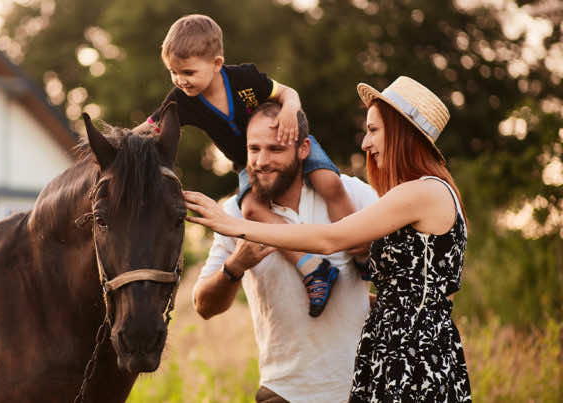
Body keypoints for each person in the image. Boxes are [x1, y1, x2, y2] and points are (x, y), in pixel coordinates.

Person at [185, 76, 472, 401]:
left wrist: (232, 225)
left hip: (408, 357)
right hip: (378, 357)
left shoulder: (418, 192)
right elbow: (417, 287)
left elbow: (330, 239)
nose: (365, 143)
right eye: (254, 149)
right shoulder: (414, 194)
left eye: (374, 130)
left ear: (401, 132)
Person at [192, 101, 379, 402]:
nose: (261, 161)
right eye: (254, 149)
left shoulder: (352, 194)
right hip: (284, 392)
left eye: (275, 150)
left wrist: (370, 261)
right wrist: (235, 267)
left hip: (363, 388)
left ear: (304, 149)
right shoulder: (233, 214)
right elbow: (203, 305)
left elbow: (406, 275)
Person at [134, 14, 355, 239]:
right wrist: (115, 142)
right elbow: (150, 126)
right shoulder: (181, 101)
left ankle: (359, 246)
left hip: (287, 143)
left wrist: (290, 107)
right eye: (174, 72)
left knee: (329, 182)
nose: (181, 80)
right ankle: (310, 264)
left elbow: (287, 93)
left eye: (188, 72)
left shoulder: (245, 79)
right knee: (251, 209)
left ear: (216, 64)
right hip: (247, 164)